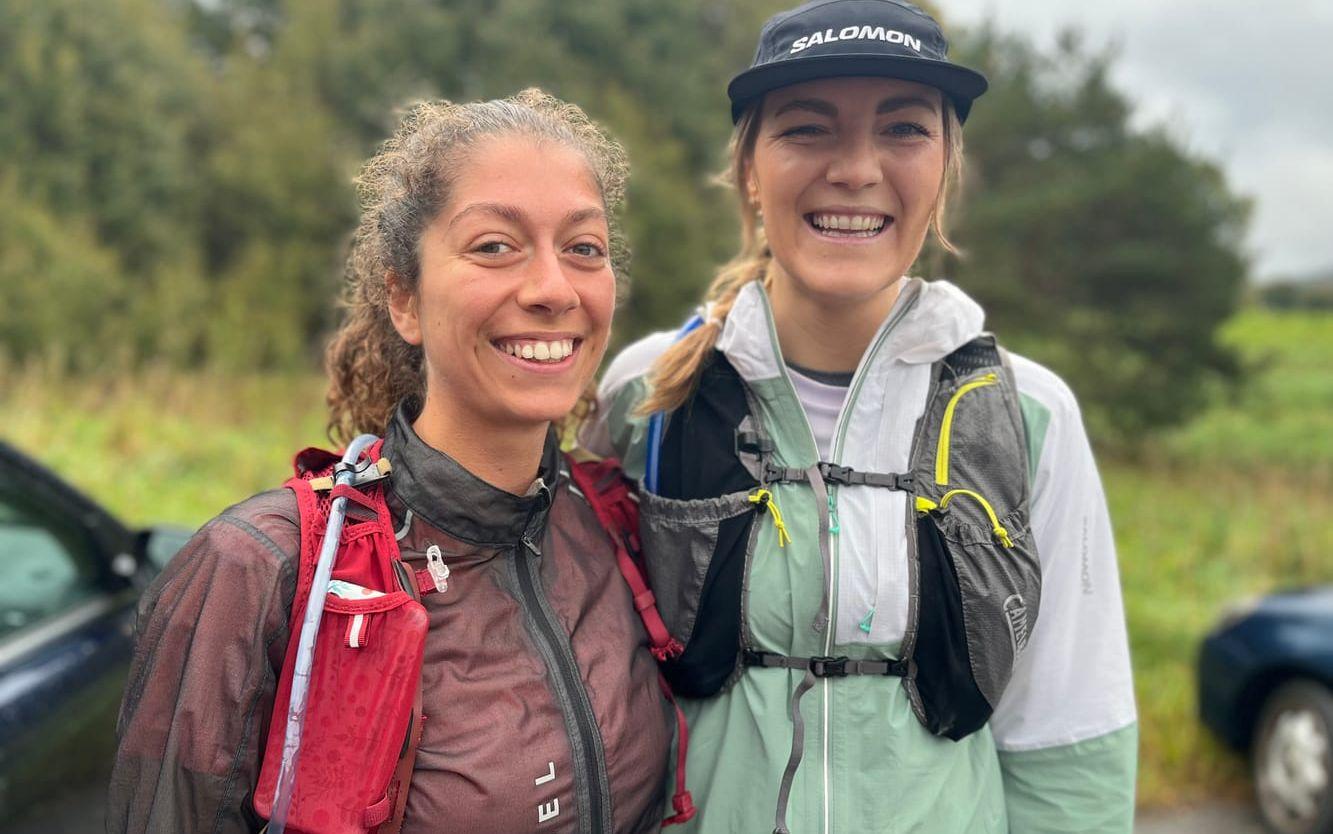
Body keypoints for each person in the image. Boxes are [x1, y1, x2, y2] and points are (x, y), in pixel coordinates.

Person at [584, 1, 1137, 832]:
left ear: (947, 164)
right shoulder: (648, 395)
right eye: (807, 129)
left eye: (903, 130)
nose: (855, 168)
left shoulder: (1027, 417)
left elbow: (1068, 742)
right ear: (747, 168)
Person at [107, 89, 675, 834]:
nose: (551, 288)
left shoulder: (611, 520)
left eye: (583, 248)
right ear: (404, 299)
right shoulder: (260, 571)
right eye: (494, 246)